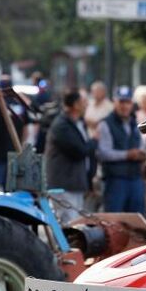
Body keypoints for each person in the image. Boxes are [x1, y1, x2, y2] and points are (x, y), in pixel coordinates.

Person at [45, 90, 96, 222]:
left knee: (76, 221)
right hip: (65, 184)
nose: (86, 105)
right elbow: (79, 150)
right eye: (84, 102)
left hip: (76, 183)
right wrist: (94, 141)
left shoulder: (78, 123)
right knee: (68, 221)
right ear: (76, 104)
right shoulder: (62, 125)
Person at [97, 86, 146, 214]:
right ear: (115, 103)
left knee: (137, 220)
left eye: (128, 102)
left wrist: (141, 154)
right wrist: (127, 155)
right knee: (115, 220)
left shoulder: (135, 123)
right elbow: (103, 153)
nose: (125, 106)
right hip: (115, 180)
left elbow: (141, 144)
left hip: (135, 178)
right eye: (121, 102)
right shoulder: (105, 124)